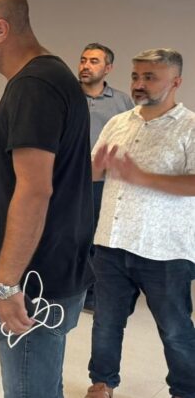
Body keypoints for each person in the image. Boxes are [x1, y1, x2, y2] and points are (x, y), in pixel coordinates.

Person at [0, 0, 93, 397]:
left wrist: (7, 283)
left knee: (30, 390)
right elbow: (22, 185)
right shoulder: (47, 76)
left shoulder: (35, 87)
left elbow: (34, 191)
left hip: (35, 280)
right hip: (47, 266)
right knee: (43, 384)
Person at [85, 49, 195, 398]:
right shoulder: (118, 122)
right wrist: (94, 168)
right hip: (111, 242)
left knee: (175, 330)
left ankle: (186, 390)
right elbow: (94, 171)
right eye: (135, 76)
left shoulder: (190, 126)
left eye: (150, 77)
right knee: (106, 323)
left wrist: (142, 177)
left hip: (165, 251)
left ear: (175, 82)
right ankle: (102, 382)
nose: (139, 84)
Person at [77, 43, 134, 312]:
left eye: (94, 61)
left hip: (105, 183)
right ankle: (75, 288)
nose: (86, 66)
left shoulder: (122, 102)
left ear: (108, 68)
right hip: (69, 180)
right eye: (83, 60)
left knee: (100, 240)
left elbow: (132, 138)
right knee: (74, 236)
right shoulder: (67, 95)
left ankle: (95, 292)